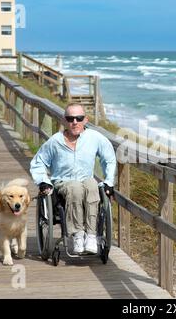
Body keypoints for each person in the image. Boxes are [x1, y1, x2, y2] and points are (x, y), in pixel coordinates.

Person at [30, 103, 116, 254]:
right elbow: (38, 162)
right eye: (70, 118)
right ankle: (78, 235)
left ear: (85, 120)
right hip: (63, 182)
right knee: (75, 187)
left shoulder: (94, 138)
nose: (74, 122)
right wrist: (43, 181)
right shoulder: (55, 141)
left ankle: (90, 235)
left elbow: (109, 158)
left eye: (79, 118)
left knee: (92, 186)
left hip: (86, 180)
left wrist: (109, 181)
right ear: (65, 120)